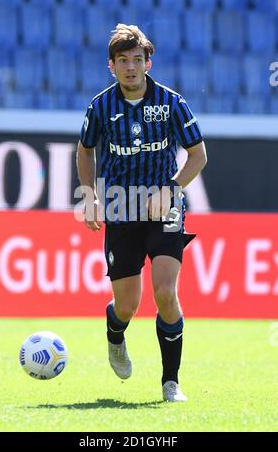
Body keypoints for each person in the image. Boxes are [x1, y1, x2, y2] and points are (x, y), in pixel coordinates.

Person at [77, 24, 207, 402]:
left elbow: (198, 155)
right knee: (128, 304)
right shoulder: (100, 106)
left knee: (166, 292)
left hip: (164, 205)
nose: (130, 67)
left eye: (137, 60)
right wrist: (89, 196)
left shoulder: (171, 103)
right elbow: (85, 150)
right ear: (111, 66)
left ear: (148, 63)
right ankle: (115, 333)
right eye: (123, 61)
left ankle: (171, 382)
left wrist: (171, 189)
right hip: (119, 204)